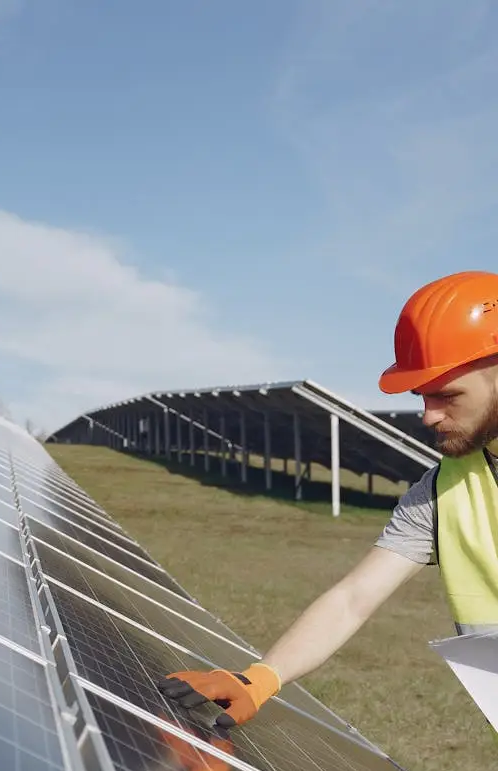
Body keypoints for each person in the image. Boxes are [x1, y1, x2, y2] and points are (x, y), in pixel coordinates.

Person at [158, 270, 498, 732]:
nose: (427, 415)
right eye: (423, 396)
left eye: (446, 395)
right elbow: (353, 598)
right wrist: (259, 680)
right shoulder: (443, 491)